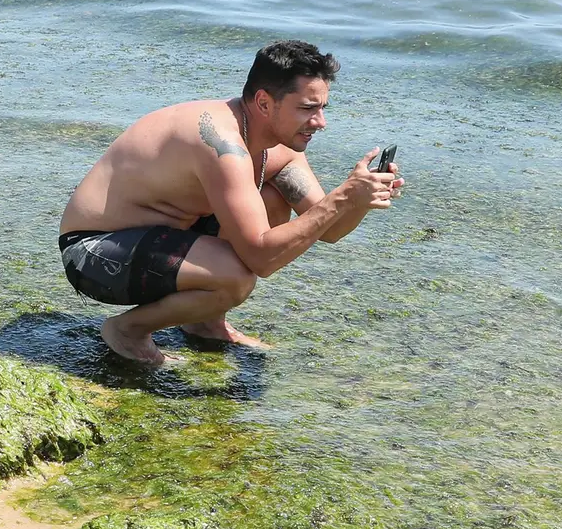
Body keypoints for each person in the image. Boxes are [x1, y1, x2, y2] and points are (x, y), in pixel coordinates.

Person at [57, 41, 404, 364]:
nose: (321, 122)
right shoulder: (222, 142)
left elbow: (327, 229)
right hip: (92, 250)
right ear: (265, 103)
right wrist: (341, 197)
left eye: (323, 108)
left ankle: (206, 324)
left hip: (161, 236)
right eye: (307, 109)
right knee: (234, 277)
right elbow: (262, 258)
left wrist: (358, 198)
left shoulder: (280, 147)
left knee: (272, 197)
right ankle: (127, 331)